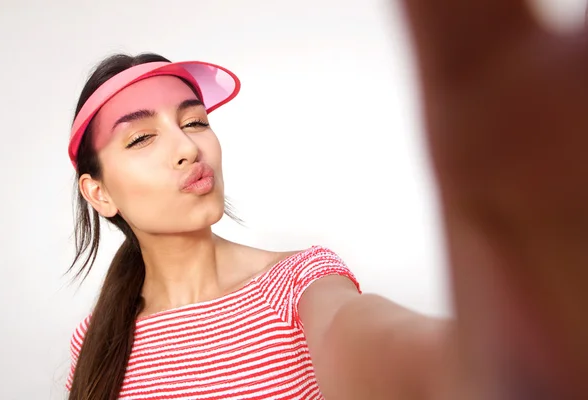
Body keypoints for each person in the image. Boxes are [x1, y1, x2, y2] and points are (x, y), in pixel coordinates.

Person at [65, 0, 588, 399]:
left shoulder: (298, 284)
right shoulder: (93, 343)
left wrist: (494, 362)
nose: (186, 147)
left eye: (195, 121)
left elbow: (377, 343)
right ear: (100, 192)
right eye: (141, 138)